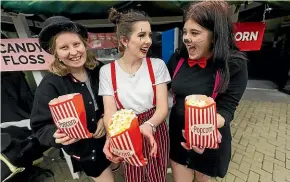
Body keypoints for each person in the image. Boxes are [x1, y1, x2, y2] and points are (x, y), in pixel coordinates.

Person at [167, 1, 248, 182]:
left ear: (215, 35)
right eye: (185, 32)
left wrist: (202, 128)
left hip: (208, 138)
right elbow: (157, 89)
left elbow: (227, 109)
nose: (186, 38)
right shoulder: (177, 59)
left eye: (195, 33)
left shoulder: (234, 64)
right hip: (178, 137)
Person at [30, 16, 114, 182]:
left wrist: (105, 118)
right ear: (56, 53)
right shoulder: (50, 85)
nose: (74, 52)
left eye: (76, 44)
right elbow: (39, 127)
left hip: (112, 138)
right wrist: (56, 134)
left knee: (116, 167)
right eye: (64, 47)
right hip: (88, 151)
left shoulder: (98, 69)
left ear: (84, 44)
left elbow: (115, 99)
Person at [98, 8, 171, 182]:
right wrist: (111, 136)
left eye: (150, 35)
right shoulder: (107, 72)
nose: (148, 41)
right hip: (125, 130)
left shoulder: (157, 66)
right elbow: (110, 113)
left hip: (155, 126)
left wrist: (149, 125)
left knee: (157, 175)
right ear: (124, 40)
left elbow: (162, 108)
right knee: (134, 175)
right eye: (141, 35)